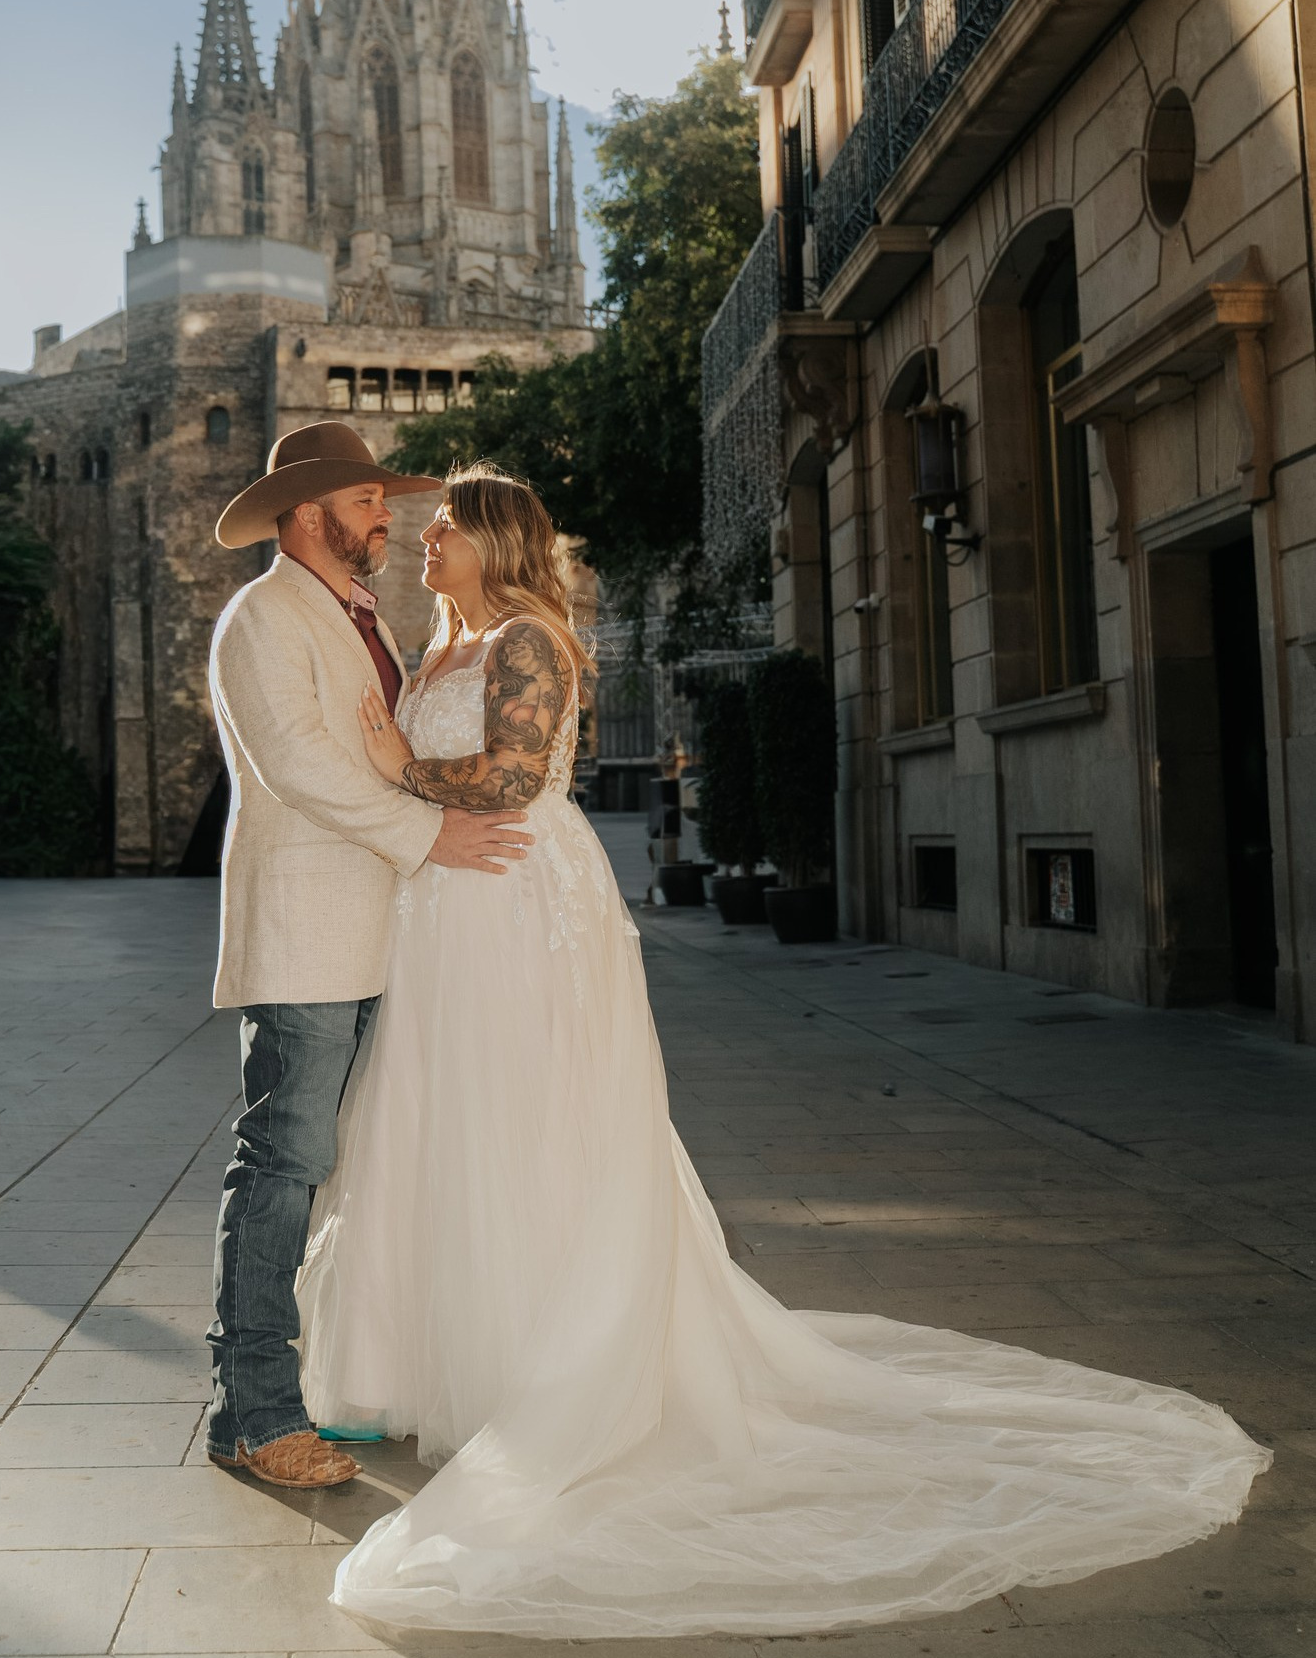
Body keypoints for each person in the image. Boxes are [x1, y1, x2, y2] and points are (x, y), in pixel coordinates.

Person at [295, 462, 1270, 1638]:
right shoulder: (438, 648)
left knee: (531, 1114)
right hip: (440, 911)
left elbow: (507, 777)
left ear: (499, 540)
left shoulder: (531, 641)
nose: (424, 541)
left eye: (447, 527)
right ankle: (426, 1357)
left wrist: (394, 765)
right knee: (432, 1116)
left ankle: (546, 1362)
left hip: (519, 906)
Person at [205, 423, 533, 1491]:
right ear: (308, 513)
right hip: (305, 938)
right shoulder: (262, 617)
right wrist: (429, 835)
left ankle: (366, 1377)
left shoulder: (363, 619)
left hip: (380, 932)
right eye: (364, 500)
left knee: (347, 1168)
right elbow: (300, 764)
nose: (383, 514)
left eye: (383, 499)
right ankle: (253, 1413)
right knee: (282, 1167)